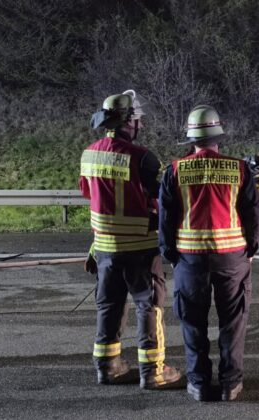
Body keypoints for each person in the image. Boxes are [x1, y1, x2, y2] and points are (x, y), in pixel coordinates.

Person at [80, 90, 184, 390]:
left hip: (104, 249)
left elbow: (92, 197)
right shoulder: (143, 158)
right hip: (139, 247)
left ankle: (107, 367)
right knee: (149, 306)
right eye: (138, 119)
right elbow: (161, 202)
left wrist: (94, 247)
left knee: (108, 306)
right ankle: (153, 371)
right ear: (130, 122)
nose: (140, 125)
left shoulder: (89, 154)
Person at [158, 105, 259, 402]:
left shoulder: (175, 170)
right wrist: (250, 250)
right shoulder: (239, 168)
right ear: (218, 135)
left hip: (189, 259)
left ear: (191, 139)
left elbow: (166, 219)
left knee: (193, 323)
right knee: (232, 323)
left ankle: (200, 384)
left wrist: (171, 254)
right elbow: (253, 214)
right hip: (233, 259)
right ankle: (230, 384)